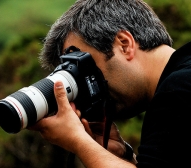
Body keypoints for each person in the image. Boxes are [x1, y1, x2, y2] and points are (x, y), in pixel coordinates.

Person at [29, 0, 191, 167]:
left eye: (85, 68)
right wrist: (124, 157)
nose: (88, 88)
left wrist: (79, 141)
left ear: (124, 44)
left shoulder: (177, 90)